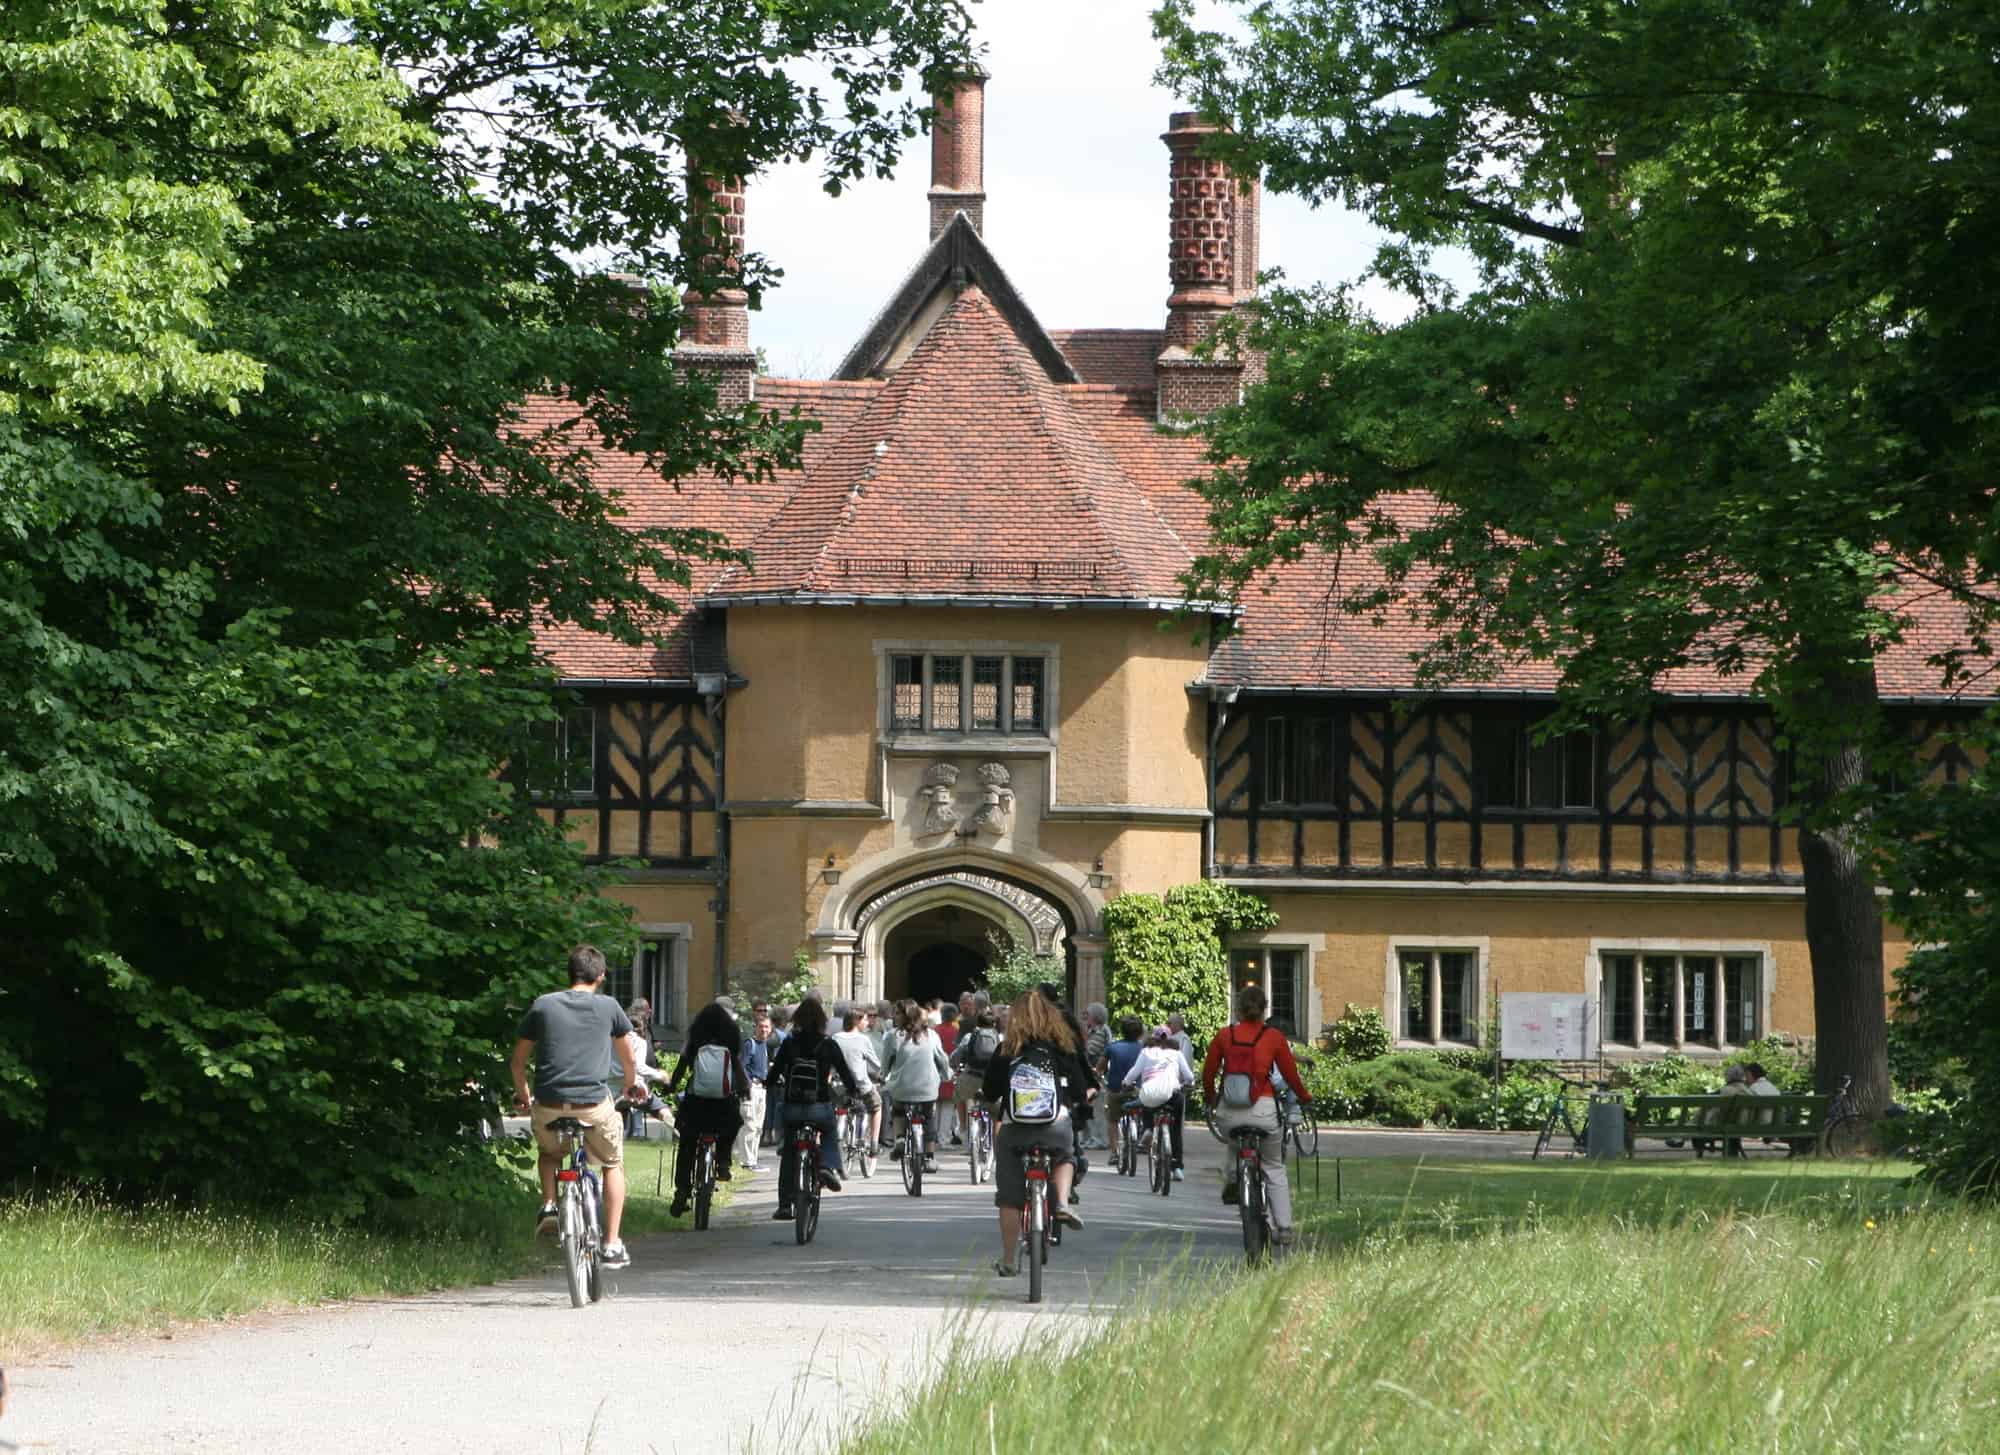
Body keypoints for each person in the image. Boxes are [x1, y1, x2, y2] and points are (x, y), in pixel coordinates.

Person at [510, 945, 644, 1269]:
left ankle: (550, 1206)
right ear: (601, 975)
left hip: (549, 1103)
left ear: (570, 972)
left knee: (550, 1154)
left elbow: (517, 1061)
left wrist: (524, 1095)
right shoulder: (609, 1007)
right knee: (612, 1163)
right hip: (593, 1106)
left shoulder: (543, 1005)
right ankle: (611, 1243)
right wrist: (630, 1083)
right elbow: (628, 1056)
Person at [982, 990, 1090, 1276]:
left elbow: (990, 1091)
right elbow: (1080, 1090)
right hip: (1055, 1126)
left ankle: (1008, 1260)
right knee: (1066, 1156)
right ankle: (1063, 1203)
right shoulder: (1063, 1048)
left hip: (1015, 1129)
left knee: (1008, 1198)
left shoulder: (1006, 1049)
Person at [1202, 986, 1311, 1245]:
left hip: (1230, 1111)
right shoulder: (1273, 1037)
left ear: (1238, 1009)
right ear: (1265, 1009)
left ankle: (1232, 1177)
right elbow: (1290, 1075)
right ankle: (1283, 1227)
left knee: (1232, 1141)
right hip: (1263, 1110)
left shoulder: (1224, 1035)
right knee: (1273, 1165)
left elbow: (1208, 1073)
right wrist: (1305, 1098)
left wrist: (1211, 1098)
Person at [766, 997, 862, 1221]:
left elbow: (774, 1073)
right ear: (822, 1020)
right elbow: (846, 1074)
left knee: (789, 1152)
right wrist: (853, 1092)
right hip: (819, 1106)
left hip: (792, 1108)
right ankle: (828, 1166)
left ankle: (784, 1206)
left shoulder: (790, 1043)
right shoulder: (828, 1044)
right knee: (829, 1130)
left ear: (797, 1018)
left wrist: (770, 1083)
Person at [666, 1000, 750, 1217]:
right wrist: (744, 1089)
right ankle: (723, 1162)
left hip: (697, 1102)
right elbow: (738, 1069)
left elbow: (682, 1065)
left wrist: (672, 1086)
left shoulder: (695, 1039)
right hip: (722, 1101)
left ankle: (682, 1191)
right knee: (732, 1124)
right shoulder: (730, 1039)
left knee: (687, 1143)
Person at [882, 1000, 951, 1172]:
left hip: (902, 1087)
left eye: (897, 1013)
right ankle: (929, 1158)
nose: (893, 1016)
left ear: (905, 1016)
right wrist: (947, 1074)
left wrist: (883, 1077)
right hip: (927, 1088)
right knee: (928, 1117)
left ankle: (899, 1139)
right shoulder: (931, 1035)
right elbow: (942, 1059)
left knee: (897, 1109)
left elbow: (886, 1063)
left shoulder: (893, 1036)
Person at [1123, 1025, 1196, 1179]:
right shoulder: (1176, 1053)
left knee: (1147, 1101)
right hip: (1171, 1094)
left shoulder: (1146, 1052)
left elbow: (1134, 1072)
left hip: (1150, 1094)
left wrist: (1126, 1082)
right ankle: (1177, 1167)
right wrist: (1189, 1083)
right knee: (1176, 1129)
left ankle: (1149, 1128)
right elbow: (1189, 1076)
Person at [830, 1006, 886, 1152]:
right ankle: (874, 1144)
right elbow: (876, 1063)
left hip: (839, 1086)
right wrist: (883, 1076)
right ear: (857, 1021)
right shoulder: (863, 1039)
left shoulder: (835, 1038)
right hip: (861, 1085)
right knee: (876, 1107)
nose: (867, 1023)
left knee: (837, 1107)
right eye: (866, 1019)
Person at [951, 1006, 1003, 1142]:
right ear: (994, 1024)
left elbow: (957, 1054)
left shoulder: (970, 1036)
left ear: (977, 1023)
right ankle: (996, 1143)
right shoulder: (1000, 1038)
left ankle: (962, 1128)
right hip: (990, 1080)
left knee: (958, 1095)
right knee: (998, 1114)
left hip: (970, 1078)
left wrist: (953, 1064)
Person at [1101, 1015, 1146, 1162]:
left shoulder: (1112, 1048)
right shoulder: (1144, 1049)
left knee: (1112, 1120)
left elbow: (1100, 1068)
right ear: (1140, 1033)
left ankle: (1114, 1152)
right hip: (1137, 1090)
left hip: (1116, 1090)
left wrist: (1099, 1075)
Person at [737, 1007, 774, 1171]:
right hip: (751, 1088)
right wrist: (748, 1085)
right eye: (761, 1027)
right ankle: (746, 1161)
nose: (764, 1030)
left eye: (767, 1027)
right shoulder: (749, 1044)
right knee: (749, 1125)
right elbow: (742, 1066)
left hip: (762, 1089)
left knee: (758, 1127)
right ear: (755, 1028)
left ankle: (753, 1159)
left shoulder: (765, 1046)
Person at [1081, 1003, 1112, 1147]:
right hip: (1090, 1075)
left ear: (1094, 1016)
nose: (1084, 1018)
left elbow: (1091, 1050)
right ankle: (1089, 1138)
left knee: (1097, 1109)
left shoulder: (1100, 1031)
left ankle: (1100, 1139)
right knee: (1088, 1107)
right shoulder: (1093, 1030)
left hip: (1097, 1076)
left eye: (1087, 1015)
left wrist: (1081, 1040)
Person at [936, 1003, 962, 1143]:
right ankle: (944, 1137)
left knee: (937, 1107)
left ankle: (934, 1135)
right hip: (951, 1071)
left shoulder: (934, 1031)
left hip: (935, 1071)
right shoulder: (956, 1032)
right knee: (947, 1107)